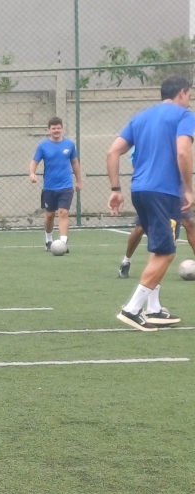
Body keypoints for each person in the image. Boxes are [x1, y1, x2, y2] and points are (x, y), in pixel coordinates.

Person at [107, 75, 195, 331]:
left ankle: (154, 309)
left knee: (158, 248)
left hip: (140, 190)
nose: (189, 100)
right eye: (189, 95)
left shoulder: (141, 117)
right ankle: (132, 309)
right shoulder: (184, 116)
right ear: (181, 93)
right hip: (164, 192)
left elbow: (112, 151)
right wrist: (188, 188)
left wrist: (115, 189)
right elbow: (183, 151)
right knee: (167, 252)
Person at [29, 117, 82, 251]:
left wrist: (78, 181)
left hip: (66, 186)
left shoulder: (69, 145)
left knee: (63, 213)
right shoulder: (43, 146)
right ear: (49, 130)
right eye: (53, 128)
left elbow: (75, 163)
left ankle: (63, 243)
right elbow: (34, 161)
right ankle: (48, 240)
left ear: (62, 129)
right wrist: (32, 173)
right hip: (49, 187)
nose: (56, 130)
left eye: (58, 128)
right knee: (49, 215)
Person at [118, 213, 195, 277]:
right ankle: (126, 261)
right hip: (155, 199)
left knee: (189, 222)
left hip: (176, 199)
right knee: (140, 228)